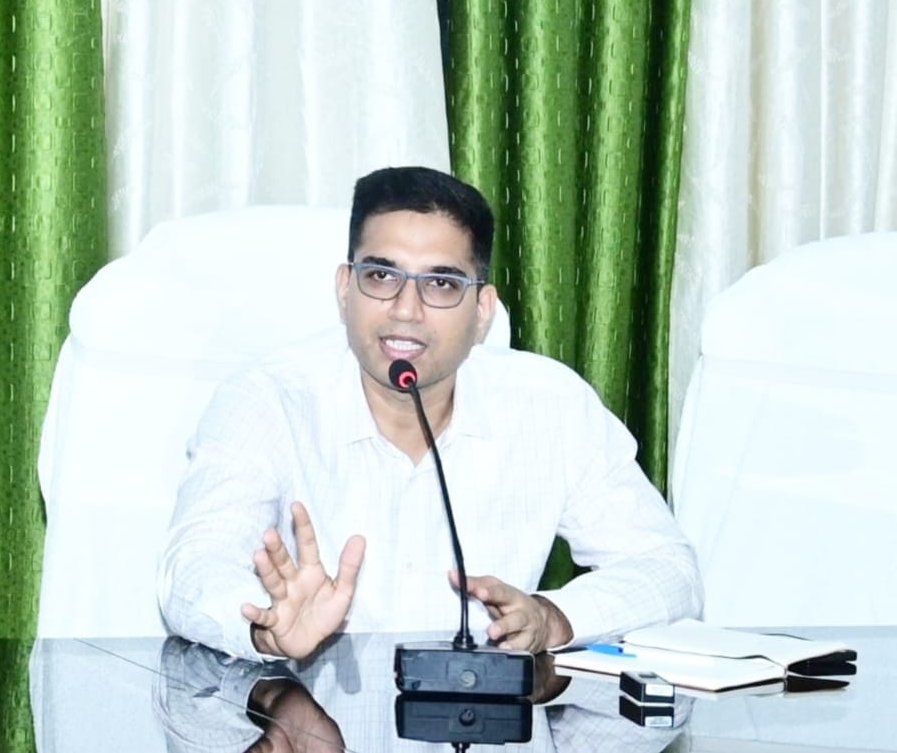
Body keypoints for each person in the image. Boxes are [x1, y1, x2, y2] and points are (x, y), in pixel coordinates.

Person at [157, 166, 700, 661]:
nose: (405, 310)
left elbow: (669, 570)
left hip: (486, 730)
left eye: (441, 283)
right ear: (345, 289)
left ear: (482, 310)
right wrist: (263, 628)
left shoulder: (551, 406)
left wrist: (552, 618)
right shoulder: (267, 400)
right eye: (381, 276)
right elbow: (192, 566)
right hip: (307, 726)